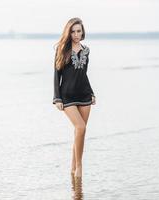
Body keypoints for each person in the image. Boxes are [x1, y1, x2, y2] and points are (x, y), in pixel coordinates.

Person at [52, 17, 96, 178]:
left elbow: (84, 74)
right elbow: (57, 74)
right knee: (80, 127)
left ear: (82, 32)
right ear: (68, 32)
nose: (76, 34)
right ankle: (79, 167)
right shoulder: (62, 49)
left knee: (80, 133)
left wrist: (91, 93)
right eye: (73, 31)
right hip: (67, 96)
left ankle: (72, 168)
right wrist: (57, 98)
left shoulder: (86, 50)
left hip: (84, 94)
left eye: (79, 31)